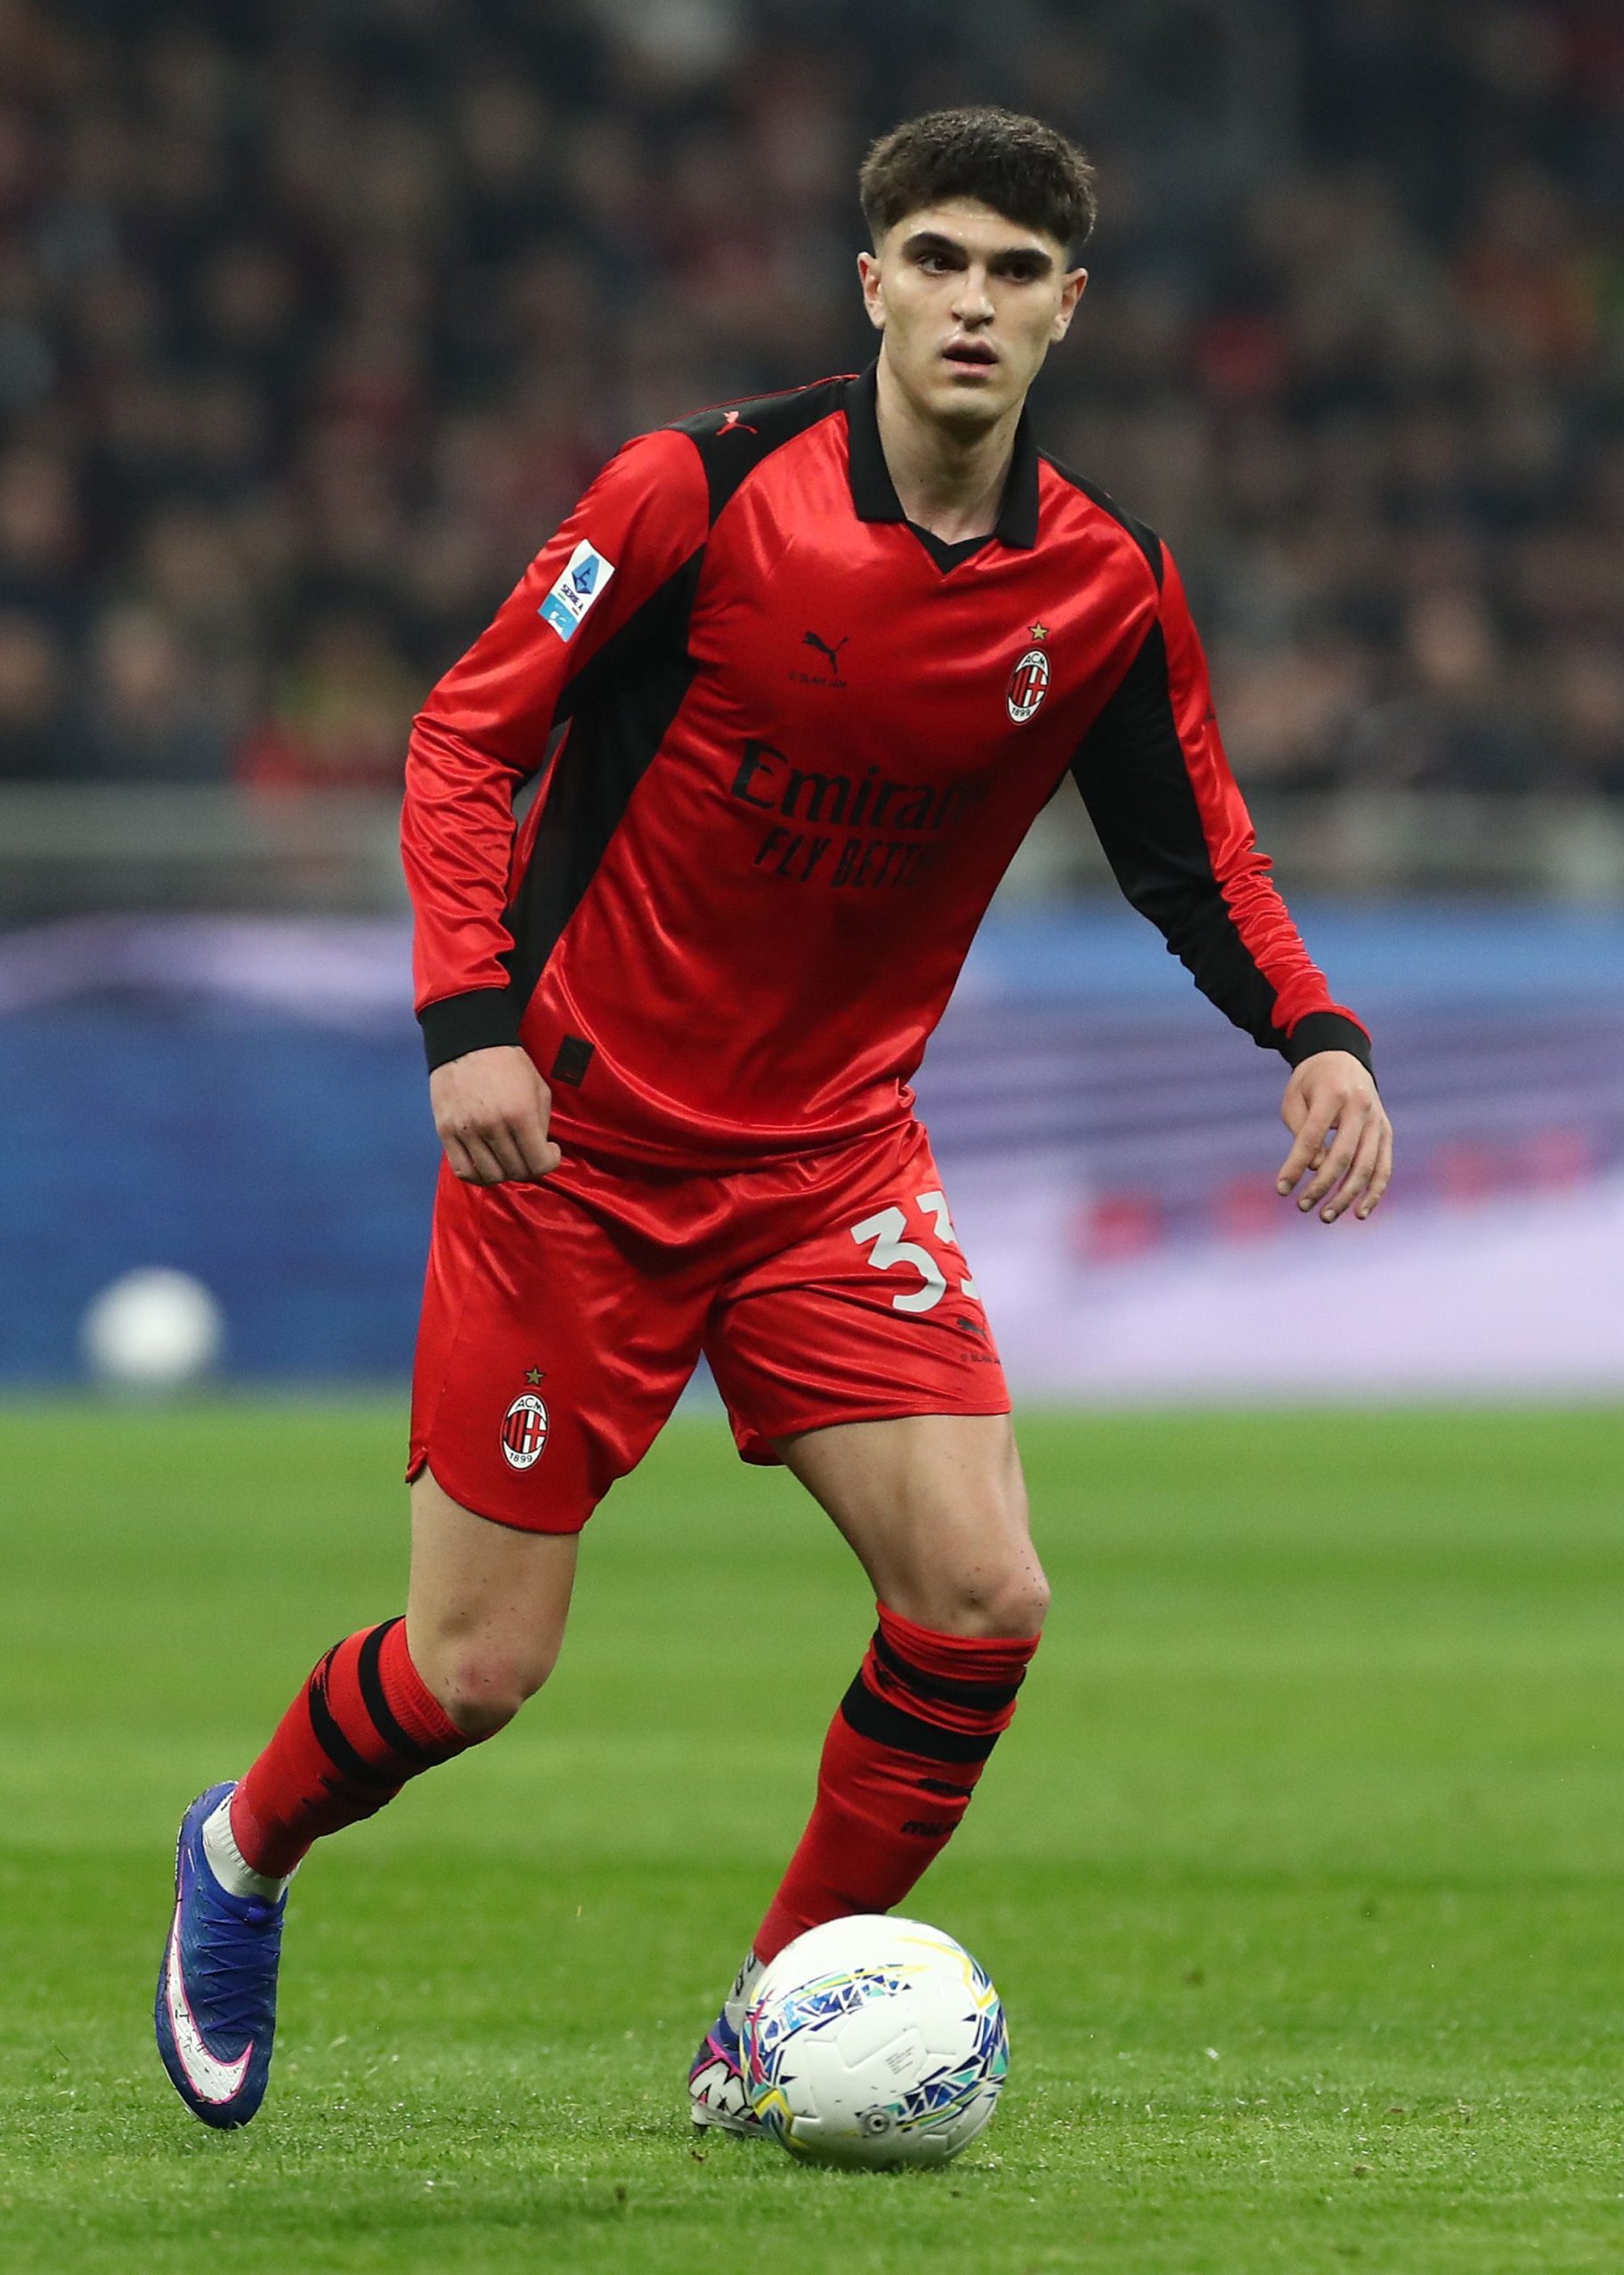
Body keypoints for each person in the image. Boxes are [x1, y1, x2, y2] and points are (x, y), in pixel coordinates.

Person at [156, 106, 1392, 2133]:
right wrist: (469, 1021)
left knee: (981, 1597)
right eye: (940, 259)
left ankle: (768, 2030)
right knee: (473, 1670)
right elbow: (465, 737)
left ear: (1069, 310)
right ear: (872, 283)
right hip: (575, 1152)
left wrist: (1312, 1029)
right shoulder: (700, 492)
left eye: (1015, 272)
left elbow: (1200, 852)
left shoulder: (1103, 584)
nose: (973, 302)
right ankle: (242, 1848)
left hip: (830, 1166)